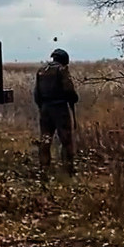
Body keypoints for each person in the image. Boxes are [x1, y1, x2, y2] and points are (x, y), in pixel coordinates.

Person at [33, 48, 79, 176]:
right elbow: (68, 89)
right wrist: (74, 98)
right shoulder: (61, 70)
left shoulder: (42, 70)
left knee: (45, 139)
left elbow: (36, 93)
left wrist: (42, 107)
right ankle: (68, 169)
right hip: (60, 109)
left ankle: (44, 167)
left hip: (45, 109)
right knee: (66, 139)